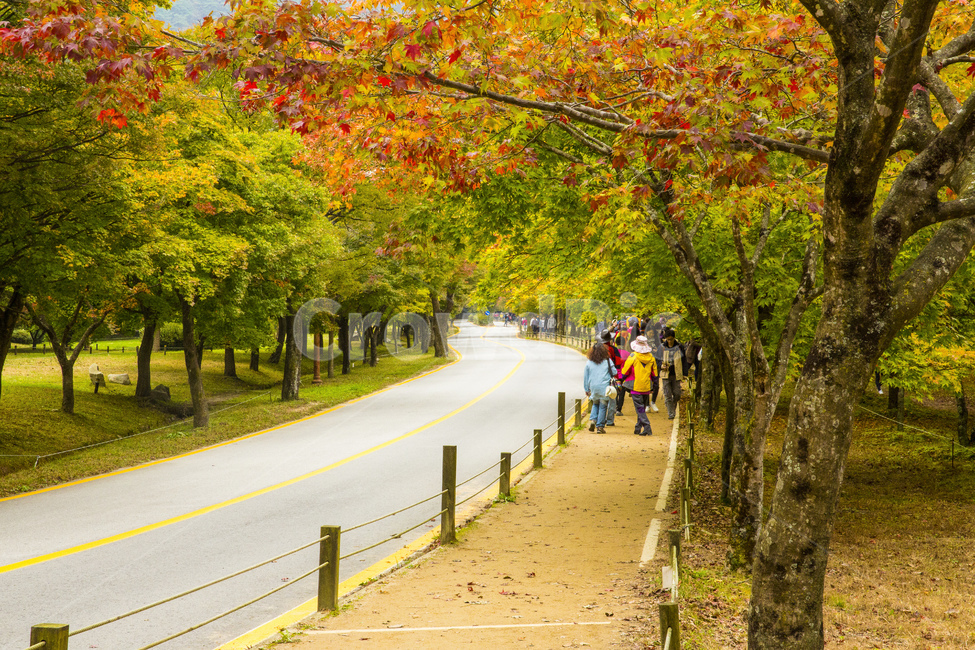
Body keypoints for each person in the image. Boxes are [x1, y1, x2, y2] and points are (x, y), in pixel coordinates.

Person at [621, 335, 657, 435]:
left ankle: (647, 427)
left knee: (640, 409)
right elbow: (655, 374)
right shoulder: (651, 358)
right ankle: (637, 427)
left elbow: (625, 371)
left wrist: (621, 380)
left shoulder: (633, 356)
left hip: (635, 387)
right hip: (646, 387)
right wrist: (654, 386)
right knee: (641, 407)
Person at [583, 342, 617, 434]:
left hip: (593, 387)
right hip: (604, 386)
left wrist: (586, 389)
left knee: (595, 403)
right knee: (603, 406)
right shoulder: (607, 360)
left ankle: (593, 420)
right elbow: (614, 372)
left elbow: (586, 376)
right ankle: (600, 426)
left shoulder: (589, 362)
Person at [658, 327, 686, 419]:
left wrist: (685, 373)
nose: (669, 341)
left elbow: (684, 360)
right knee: (667, 394)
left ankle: (673, 408)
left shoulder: (680, 347)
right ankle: (671, 413)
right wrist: (660, 366)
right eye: (668, 339)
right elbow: (656, 360)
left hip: (676, 374)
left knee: (677, 394)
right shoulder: (662, 347)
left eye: (671, 339)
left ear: (674, 338)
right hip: (665, 374)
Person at [598, 329, 624, 425]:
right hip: (612, 376)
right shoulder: (614, 350)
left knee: (601, 399)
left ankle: (601, 419)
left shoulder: (597, 350)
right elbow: (618, 364)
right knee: (612, 399)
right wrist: (619, 378)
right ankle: (610, 420)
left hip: (600, 377)